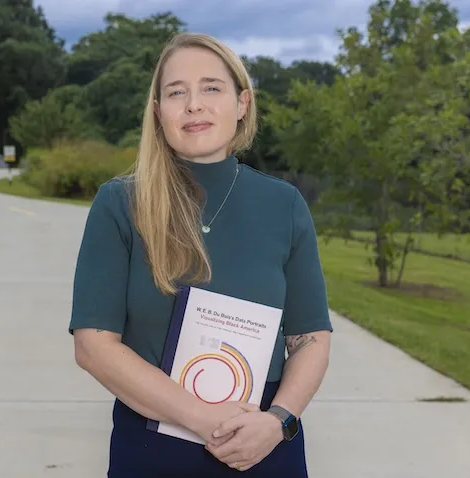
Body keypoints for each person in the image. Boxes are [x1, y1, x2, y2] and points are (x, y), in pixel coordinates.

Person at [68, 32, 333, 477]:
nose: (194, 104)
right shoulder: (120, 204)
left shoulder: (283, 205)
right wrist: (201, 418)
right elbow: (93, 346)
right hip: (153, 446)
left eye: (211, 87)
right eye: (177, 92)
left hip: (263, 444)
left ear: (242, 103)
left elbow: (311, 338)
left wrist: (279, 421)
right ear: (158, 112)